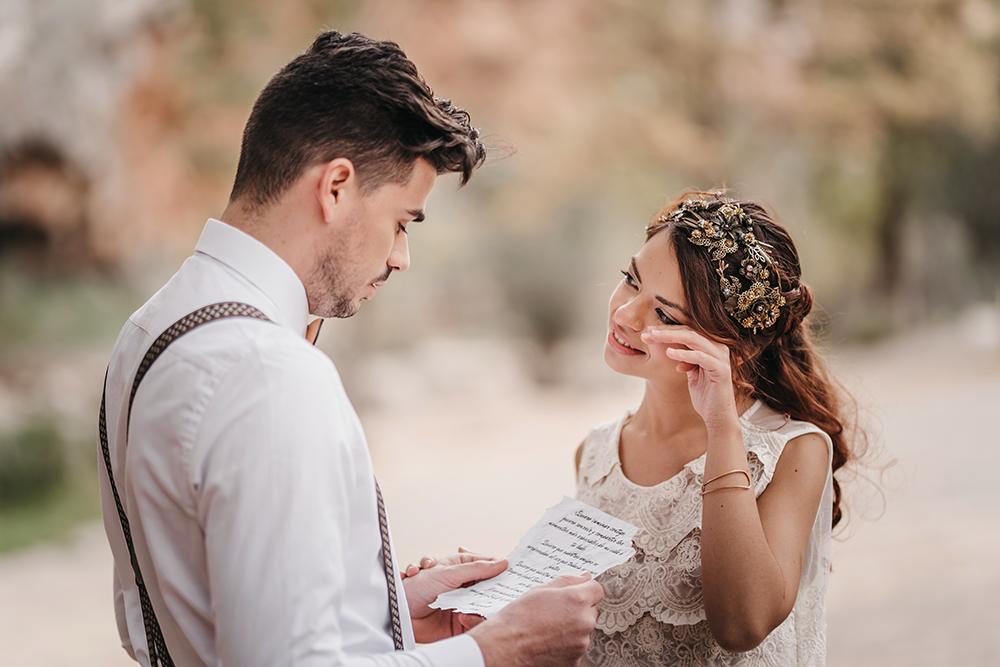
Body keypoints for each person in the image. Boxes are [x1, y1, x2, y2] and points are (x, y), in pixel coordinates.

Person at [98, 31, 602, 667]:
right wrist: (495, 650)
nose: (401, 258)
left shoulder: (150, 329)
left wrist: (390, 607)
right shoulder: (270, 374)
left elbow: (181, 602)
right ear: (335, 186)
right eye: (401, 222)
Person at [575, 191, 860, 665]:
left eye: (665, 314)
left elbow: (743, 624)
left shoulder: (792, 451)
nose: (625, 314)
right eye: (631, 280)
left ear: (736, 349)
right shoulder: (594, 452)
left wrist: (722, 428)